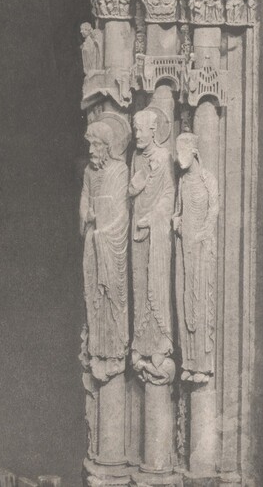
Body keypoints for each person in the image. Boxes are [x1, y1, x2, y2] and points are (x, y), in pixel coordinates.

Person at [81, 115, 130, 381]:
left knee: (112, 298)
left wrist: (107, 232)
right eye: (90, 145)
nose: (91, 150)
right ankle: (97, 353)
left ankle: (114, 354)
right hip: (93, 243)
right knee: (93, 297)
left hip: (111, 245)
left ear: (107, 146)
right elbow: (84, 203)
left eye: (96, 145)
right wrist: (87, 216)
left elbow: (123, 212)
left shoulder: (120, 171)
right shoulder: (89, 173)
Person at [130, 107, 175, 384]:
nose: (136, 133)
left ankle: (160, 343)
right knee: (140, 285)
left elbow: (169, 193)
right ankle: (141, 344)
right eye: (133, 128)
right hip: (138, 232)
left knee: (156, 284)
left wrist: (154, 218)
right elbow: (132, 190)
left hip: (156, 232)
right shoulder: (137, 159)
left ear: (153, 131)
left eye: (140, 129)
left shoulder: (164, 157)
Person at [174, 132, 219, 382]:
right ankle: (189, 362)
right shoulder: (182, 182)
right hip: (185, 249)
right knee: (186, 300)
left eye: (182, 151)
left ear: (193, 152)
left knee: (201, 300)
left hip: (202, 249)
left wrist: (202, 234)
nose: (178, 157)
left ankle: (202, 363)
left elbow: (214, 209)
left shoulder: (208, 179)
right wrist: (176, 222)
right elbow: (177, 212)